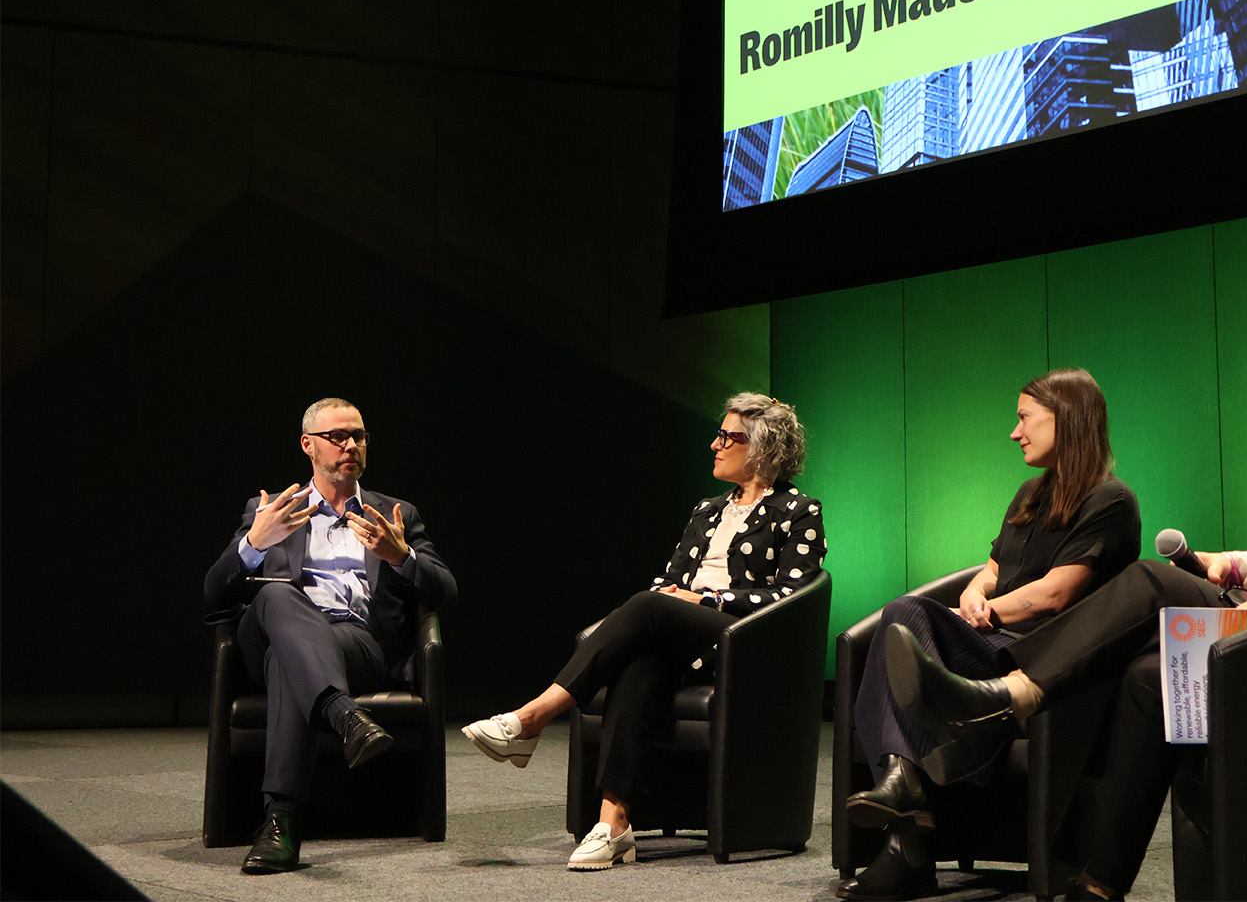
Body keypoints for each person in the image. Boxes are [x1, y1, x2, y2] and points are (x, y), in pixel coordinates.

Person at [885, 287, 1247, 901]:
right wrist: (1232, 566)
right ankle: (1093, 884)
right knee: (1148, 679)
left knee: (1154, 580)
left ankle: (1003, 699)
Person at [460, 393, 825, 871]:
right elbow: (668, 580)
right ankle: (614, 823)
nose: (714, 445)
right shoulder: (707, 509)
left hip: (742, 640)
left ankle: (532, 718)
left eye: (727, 436)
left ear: (762, 449)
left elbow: (791, 596)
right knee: (638, 662)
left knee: (651, 606)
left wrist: (709, 600)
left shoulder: (798, 511)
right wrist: (676, 598)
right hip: (679, 632)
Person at [839, 368, 1141, 901]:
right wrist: (976, 593)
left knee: (906, 614)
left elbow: (1056, 594)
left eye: (1025, 418)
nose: (1014, 431)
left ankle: (907, 823)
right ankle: (906, 784)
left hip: (1039, 657)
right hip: (990, 641)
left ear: (1066, 419)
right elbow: (993, 568)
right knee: (900, 616)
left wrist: (988, 613)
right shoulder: (1030, 492)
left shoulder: (1111, 501)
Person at [204, 398, 456, 875]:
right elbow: (214, 595)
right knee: (277, 599)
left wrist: (403, 557)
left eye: (358, 436)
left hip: (355, 643)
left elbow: (447, 591)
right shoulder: (272, 509)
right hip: (270, 628)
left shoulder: (395, 513)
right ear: (308, 446)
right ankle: (344, 716)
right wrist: (255, 544)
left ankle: (280, 823)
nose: (350, 446)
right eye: (337, 437)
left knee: (290, 661)